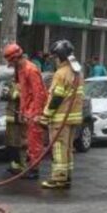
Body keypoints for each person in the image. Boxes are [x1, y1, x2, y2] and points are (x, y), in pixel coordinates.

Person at [38, 40, 85, 189]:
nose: (54, 60)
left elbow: (56, 97)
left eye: (55, 57)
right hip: (73, 118)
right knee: (67, 148)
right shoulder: (77, 72)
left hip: (60, 118)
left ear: (60, 56)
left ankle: (58, 178)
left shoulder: (61, 73)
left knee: (58, 147)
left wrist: (45, 115)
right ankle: (66, 176)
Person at [3, 43, 48, 179]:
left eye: (11, 62)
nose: (10, 65)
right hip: (27, 112)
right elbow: (25, 93)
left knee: (34, 142)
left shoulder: (30, 70)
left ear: (16, 58)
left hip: (34, 112)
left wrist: (37, 114)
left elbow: (39, 93)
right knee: (27, 142)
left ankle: (34, 170)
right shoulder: (22, 70)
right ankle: (29, 167)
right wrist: (23, 111)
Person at [3, 74, 26, 174]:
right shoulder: (9, 83)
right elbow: (5, 95)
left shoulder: (26, 82)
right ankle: (14, 164)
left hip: (22, 118)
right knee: (11, 142)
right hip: (12, 118)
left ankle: (22, 165)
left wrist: (19, 93)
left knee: (21, 143)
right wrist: (17, 92)